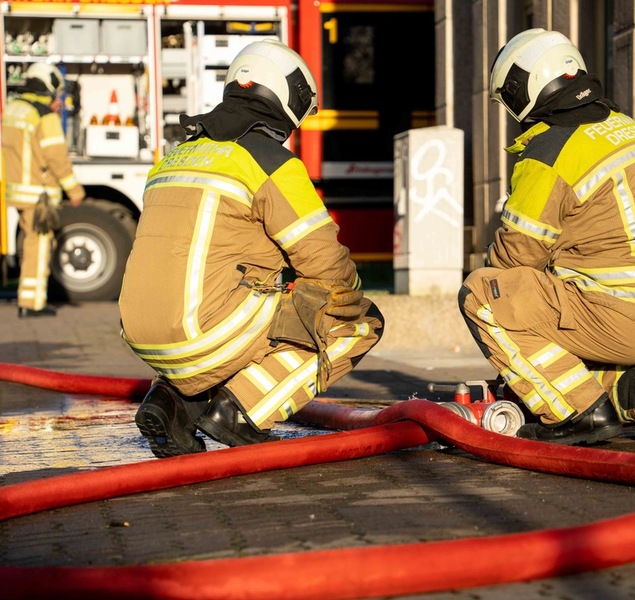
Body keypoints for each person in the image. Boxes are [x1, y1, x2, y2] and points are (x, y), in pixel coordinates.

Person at [119, 40, 384, 458]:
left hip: (142, 335)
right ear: (285, 103)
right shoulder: (268, 161)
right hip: (204, 332)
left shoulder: (175, 156)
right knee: (355, 319)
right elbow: (326, 264)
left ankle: (171, 404)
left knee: (241, 302)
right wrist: (343, 297)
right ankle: (243, 412)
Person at [458, 29, 635, 445]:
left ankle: (577, 414)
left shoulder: (552, 148)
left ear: (526, 88)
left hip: (623, 318)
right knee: (562, 342)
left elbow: (515, 260)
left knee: (484, 294)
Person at [2, 63, 85, 318]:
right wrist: (74, 190)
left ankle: (28, 300)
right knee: (39, 246)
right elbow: (56, 157)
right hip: (38, 194)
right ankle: (32, 304)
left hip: (17, 191)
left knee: (30, 243)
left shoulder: (14, 108)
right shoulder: (44, 115)